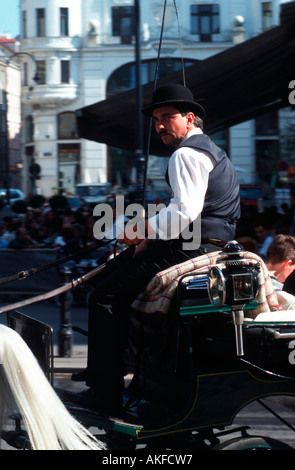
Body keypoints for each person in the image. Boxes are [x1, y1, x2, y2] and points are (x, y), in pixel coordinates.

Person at [65, 83, 241, 416]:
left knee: (104, 296)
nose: (159, 126)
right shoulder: (213, 152)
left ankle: (104, 390)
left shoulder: (186, 154)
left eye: (166, 117)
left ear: (189, 119)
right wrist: (146, 238)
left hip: (193, 246)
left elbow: (184, 213)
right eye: (156, 119)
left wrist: (140, 230)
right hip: (205, 242)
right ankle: (114, 372)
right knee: (114, 280)